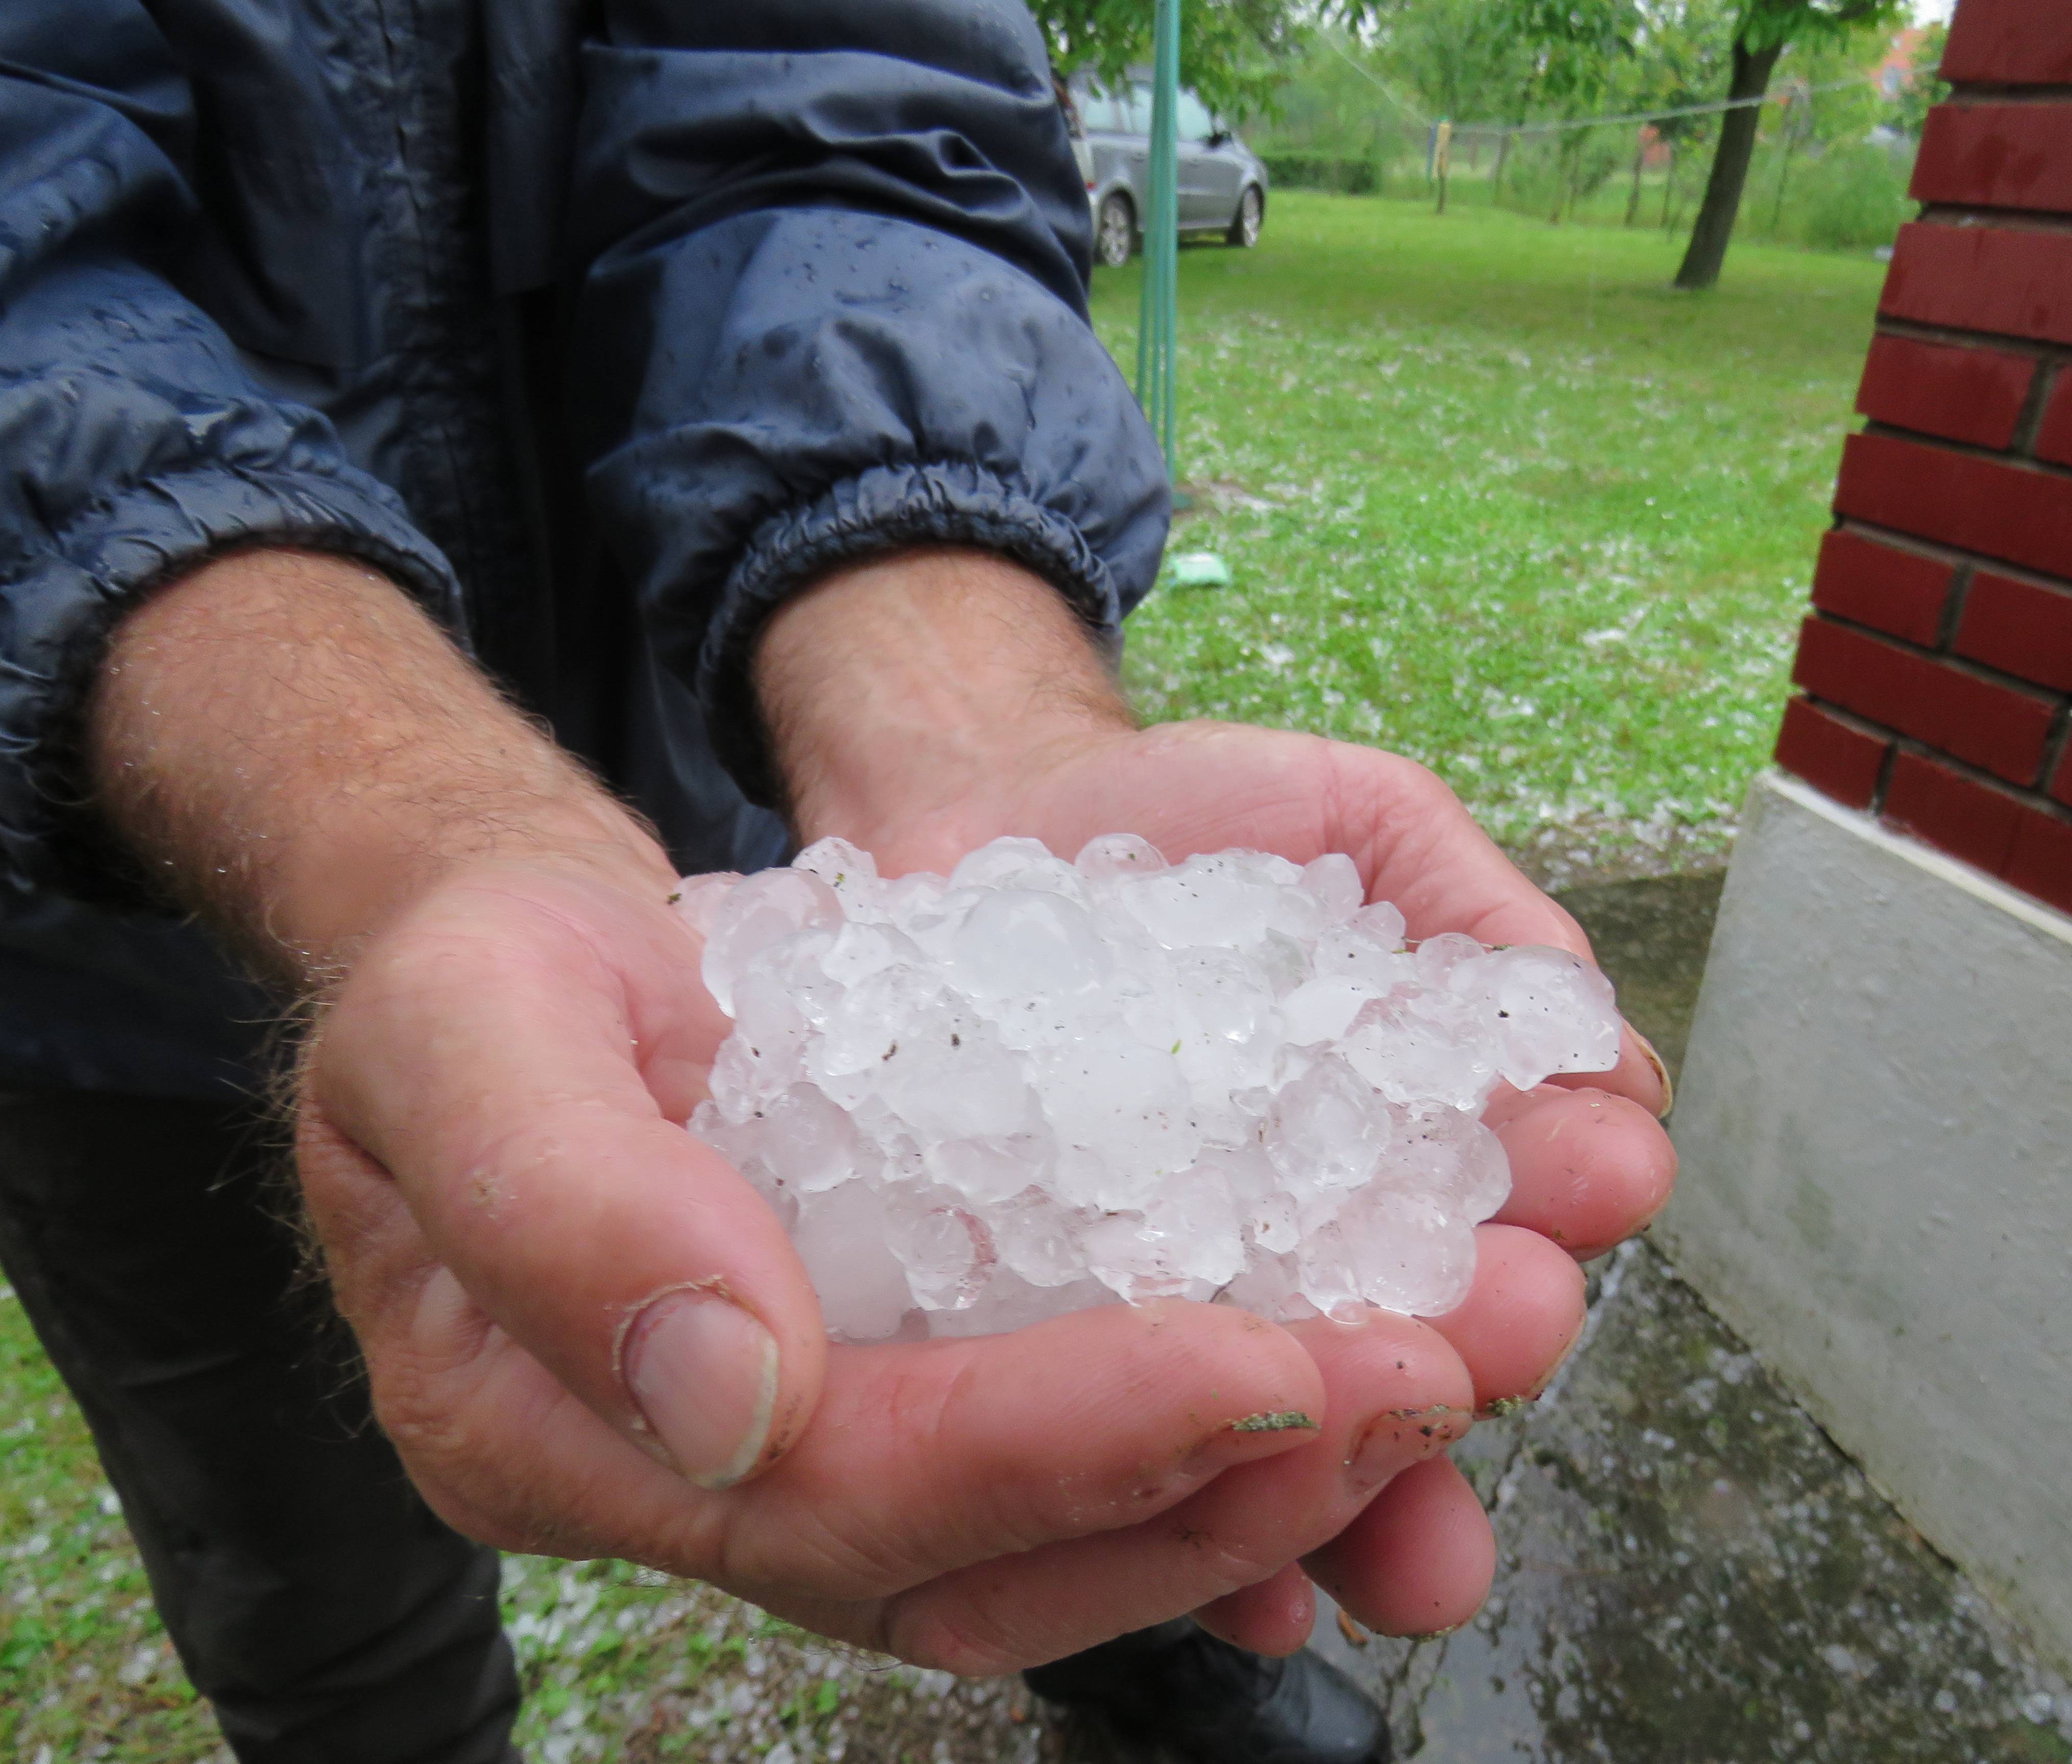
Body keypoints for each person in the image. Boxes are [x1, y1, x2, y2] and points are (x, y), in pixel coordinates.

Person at [0, 3, 1678, 1761]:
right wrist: (407, 822)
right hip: (112, 896)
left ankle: (1153, 1648)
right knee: (311, 1579)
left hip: (722, 862)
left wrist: (958, 704)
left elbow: (849, 122)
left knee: (1133, 1440)